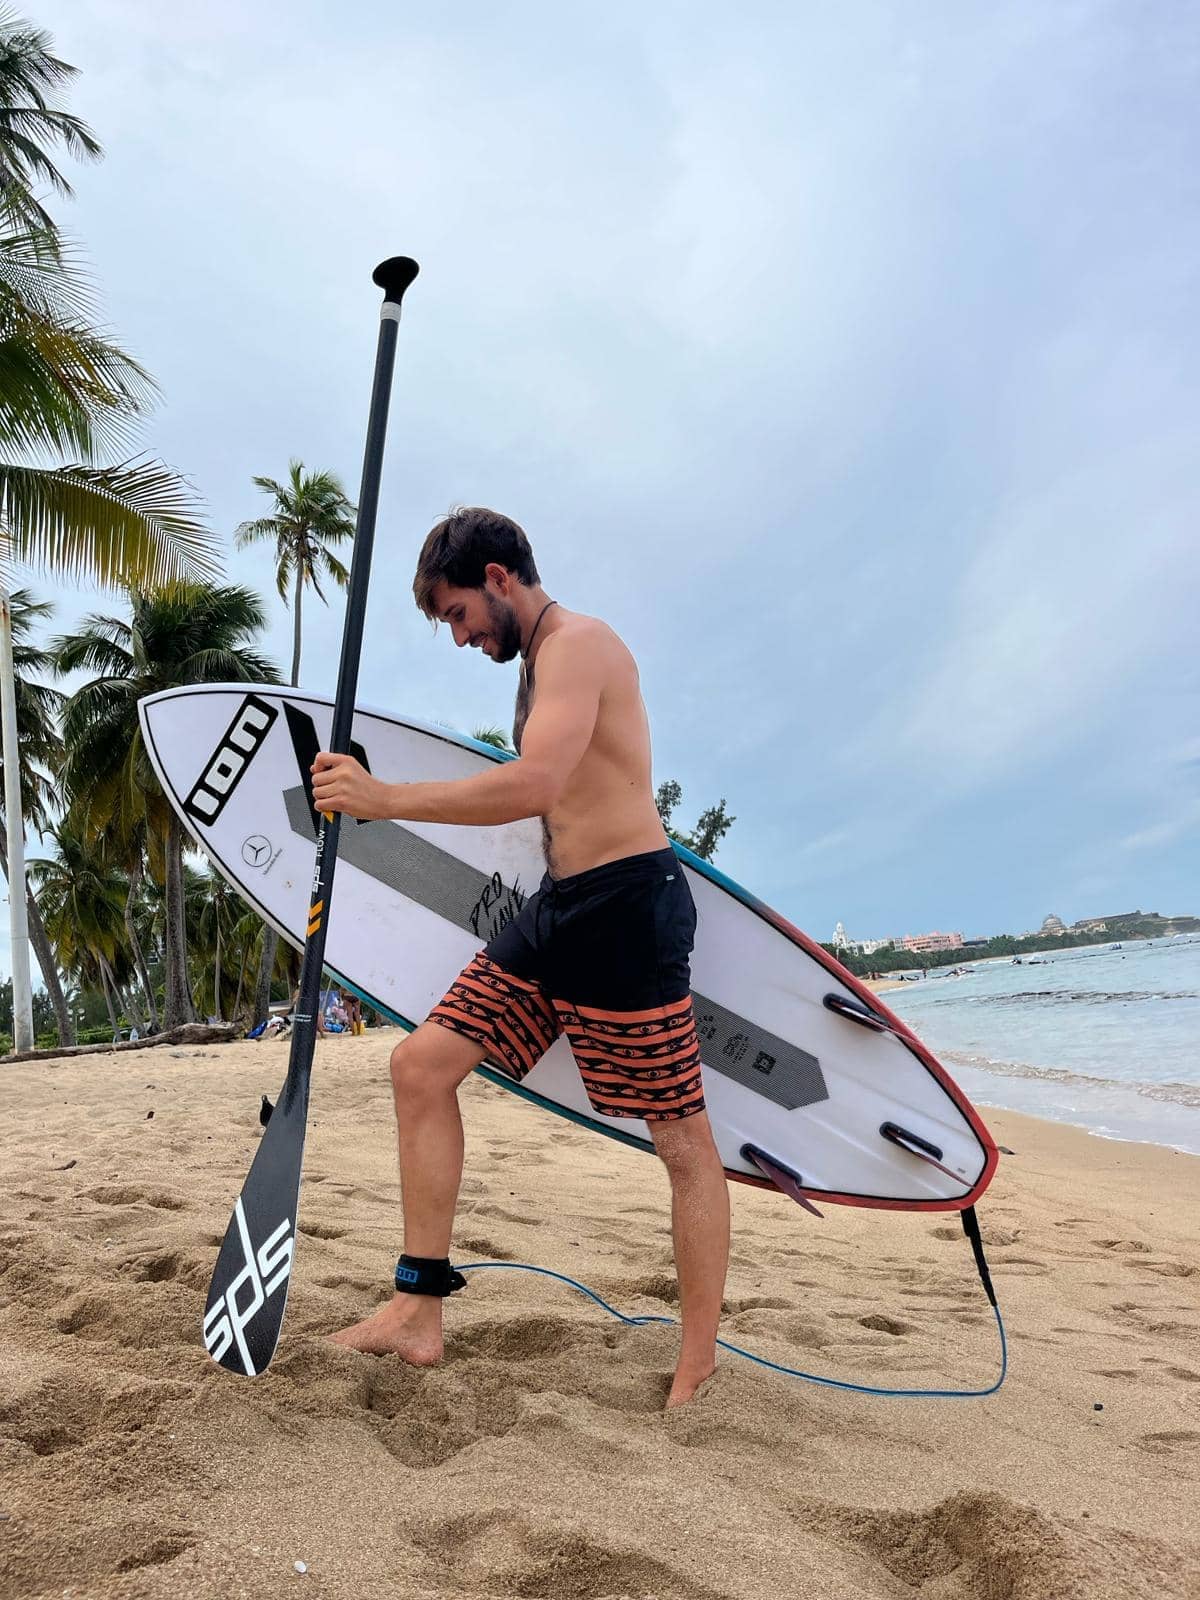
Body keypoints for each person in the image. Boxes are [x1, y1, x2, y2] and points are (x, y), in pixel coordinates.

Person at [313, 506, 728, 1407]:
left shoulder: (579, 647)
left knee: (682, 1141)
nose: (460, 637)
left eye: (458, 614)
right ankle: (417, 1310)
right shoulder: (537, 663)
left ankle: (697, 1360)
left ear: (497, 578)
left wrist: (385, 800)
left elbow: (536, 783)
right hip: (561, 909)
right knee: (420, 1068)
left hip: (628, 908)